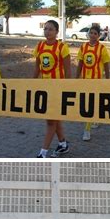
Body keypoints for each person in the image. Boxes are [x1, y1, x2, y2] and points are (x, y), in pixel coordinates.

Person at [34, 20, 71, 158]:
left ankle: (43, 153)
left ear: (57, 32)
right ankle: (63, 144)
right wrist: (31, 85)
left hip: (58, 90)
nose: (47, 31)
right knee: (54, 120)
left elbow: (68, 71)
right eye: (45, 29)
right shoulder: (39, 46)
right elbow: (37, 68)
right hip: (44, 90)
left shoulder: (62, 47)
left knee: (51, 121)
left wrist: (67, 89)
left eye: (50, 29)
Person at [76, 25, 110, 142]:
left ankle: (87, 130)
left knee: (91, 103)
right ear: (88, 34)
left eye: (95, 33)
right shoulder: (83, 47)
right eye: (91, 33)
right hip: (85, 80)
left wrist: (108, 79)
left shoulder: (102, 48)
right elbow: (80, 63)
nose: (93, 35)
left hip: (96, 80)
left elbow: (106, 65)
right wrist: (76, 78)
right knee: (88, 103)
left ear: (99, 35)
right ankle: (94, 118)